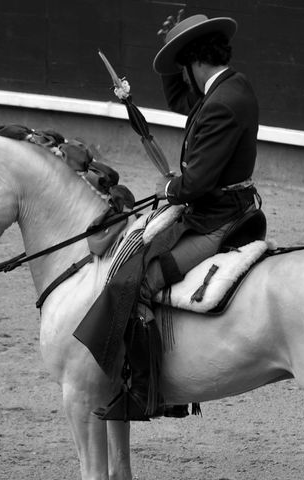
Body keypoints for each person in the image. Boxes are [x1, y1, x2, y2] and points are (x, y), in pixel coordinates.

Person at [75, 12, 262, 421]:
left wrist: (167, 188)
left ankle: (149, 392)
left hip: (216, 218)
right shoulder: (232, 87)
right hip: (227, 206)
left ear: (194, 64)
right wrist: (174, 52)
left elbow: (193, 186)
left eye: (182, 65)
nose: (182, 75)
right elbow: (183, 101)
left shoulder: (222, 105)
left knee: (142, 280)